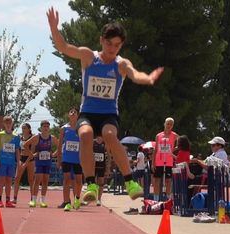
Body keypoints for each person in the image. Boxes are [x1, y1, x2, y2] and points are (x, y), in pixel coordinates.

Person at [47, 7, 163, 203]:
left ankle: (129, 181)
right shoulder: (88, 57)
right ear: (101, 40)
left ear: (121, 46)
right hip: (88, 113)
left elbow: (135, 74)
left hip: (109, 114)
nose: (112, 49)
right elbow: (64, 47)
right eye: (109, 44)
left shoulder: (121, 64)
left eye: (117, 46)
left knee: (109, 135)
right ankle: (90, 183)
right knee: (85, 134)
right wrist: (53, 27)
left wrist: (149, 78)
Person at [24, 120, 58, 208]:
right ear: (41, 128)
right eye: (44, 126)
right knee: (38, 179)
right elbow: (25, 145)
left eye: (47, 126)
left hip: (48, 160)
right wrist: (32, 155)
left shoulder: (52, 138)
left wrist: (54, 154)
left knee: (46, 180)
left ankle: (43, 200)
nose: (46, 128)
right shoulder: (37, 137)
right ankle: (33, 200)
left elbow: (61, 146)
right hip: (39, 161)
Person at [57, 107, 83, 211]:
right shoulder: (64, 128)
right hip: (66, 157)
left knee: (78, 181)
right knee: (66, 180)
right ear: (68, 115)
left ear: (78, 115)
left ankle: (77, 199)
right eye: (71, 111)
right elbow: (59, 145)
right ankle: (67, 202)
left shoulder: (81, 128)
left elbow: (84, 144)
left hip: (78, 158)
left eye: (75, 112)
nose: (73, 113)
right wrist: (59, 159)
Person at [0, 116, 21, 208]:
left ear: (12, 123)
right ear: (4, 124)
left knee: (9, 181)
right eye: (6, 123)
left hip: (11, 162)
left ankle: (8, 200)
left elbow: (17, 150)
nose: (8, 124)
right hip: (2, 161)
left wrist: (18, 161)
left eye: (10, 123)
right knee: (1, 181)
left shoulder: (16, 136)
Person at [151, 117, 178, 201]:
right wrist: (153, 163)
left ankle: (167, 199)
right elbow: (155, 150)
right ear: (164, 124)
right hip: (159, 161)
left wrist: (173, 150)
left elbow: (181, 144)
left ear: (172, 126)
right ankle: (156, 200)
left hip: (169, 161)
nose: (169, 125)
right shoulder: (158, 136)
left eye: (171, 124)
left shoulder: (175, 135)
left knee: (168, 181)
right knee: (156, 181)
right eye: (167, 123)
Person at [13, 123, 35, 204]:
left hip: (30, 160)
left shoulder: (32, 138)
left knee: (31, 179)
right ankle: (15, 198)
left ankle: (33, 198)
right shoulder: (20, 138)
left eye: (25, 128)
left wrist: (26, 163)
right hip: (21, 158)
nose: (23, 129)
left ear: (29, 129)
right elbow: (18, 150)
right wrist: (19, 161)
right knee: (16, 178)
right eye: (22, 128)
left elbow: (32, 152)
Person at [93, 136, 110, 206]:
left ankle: (99, 199)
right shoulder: (92, 142)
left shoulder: (105, 143)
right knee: (92, 183)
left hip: (101, 166)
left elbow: (108, 156)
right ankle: (92, 198)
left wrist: (108, 168)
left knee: (101, 183)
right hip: (93, 166)